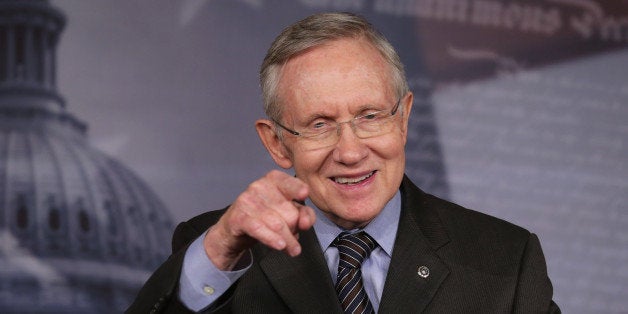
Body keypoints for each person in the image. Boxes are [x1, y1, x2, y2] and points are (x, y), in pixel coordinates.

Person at [127, 12, 560, 313]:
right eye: (319, 124)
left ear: (404, 118)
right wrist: (219, 250)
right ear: (277, 143)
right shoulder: (218, 252)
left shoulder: (505, 260)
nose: (350, 152)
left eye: (370, 116)